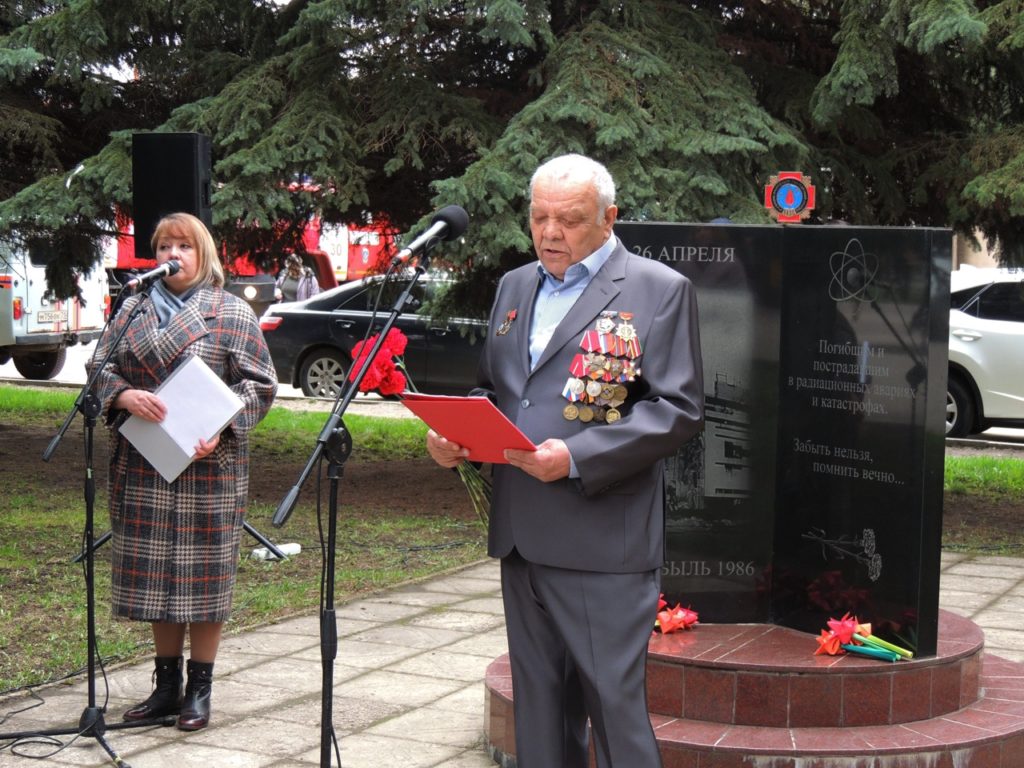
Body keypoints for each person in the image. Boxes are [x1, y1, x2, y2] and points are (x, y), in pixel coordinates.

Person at [426, 154, 704, 767]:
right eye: (539, 217)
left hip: (602, 539)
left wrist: (575, 458)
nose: (550, 233)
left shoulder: (657, 291)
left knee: (614, 711)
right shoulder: (515, 286)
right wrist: (455, 437)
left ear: (609, 218)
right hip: (522, 536)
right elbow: (495, 391)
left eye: (570, 220)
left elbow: (676, 409)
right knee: (540, 711)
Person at [87, 212, 278, 731]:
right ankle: (165, 687)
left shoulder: (230, 312)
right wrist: (124, 394)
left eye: (184, 245)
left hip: (206, 464)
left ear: (205, 255)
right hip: (146, 462)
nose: (173, 253)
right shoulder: (131, 308)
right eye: (164, 244)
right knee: (157, 581)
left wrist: (222, 424)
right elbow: (99, 369)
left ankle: (200, 688)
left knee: (203, 581)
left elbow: (260, 385)